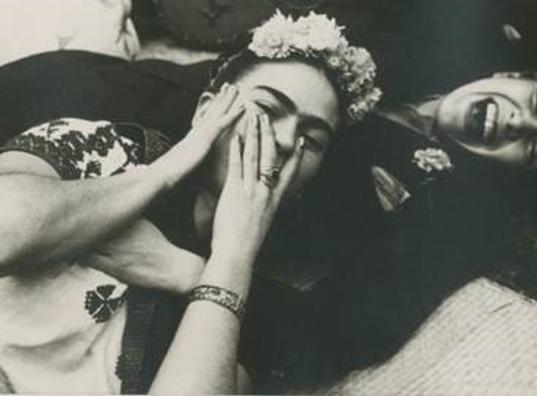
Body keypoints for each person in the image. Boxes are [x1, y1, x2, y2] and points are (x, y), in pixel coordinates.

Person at [0, 11, 381, 394]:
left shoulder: (255, 303)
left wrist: (219, 262)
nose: (284, 140)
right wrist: (160, 174)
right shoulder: (106, 150)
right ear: (206, 111)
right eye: (267, 109)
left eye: (310, 141)